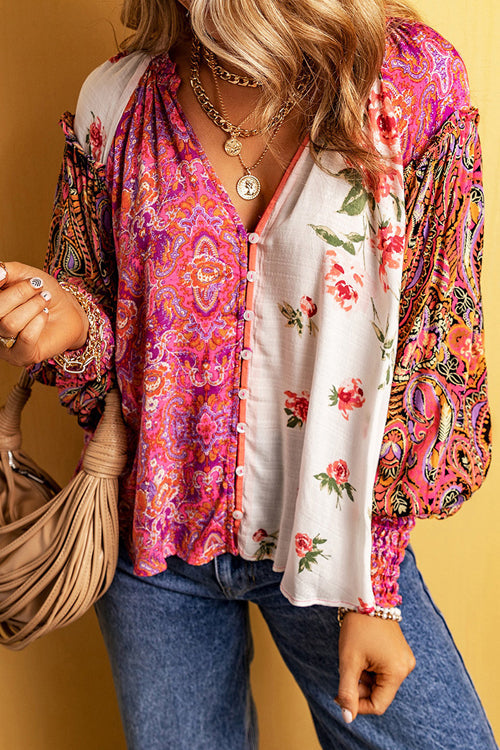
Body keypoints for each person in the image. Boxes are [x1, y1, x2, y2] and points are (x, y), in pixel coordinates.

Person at [0, 1, 496, 748]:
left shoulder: (408, 79)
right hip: (153, 554)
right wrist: (65, 322)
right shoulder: (118, 100)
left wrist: (375, 587)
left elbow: (438, 340)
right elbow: (108, 342)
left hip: (331, 549)